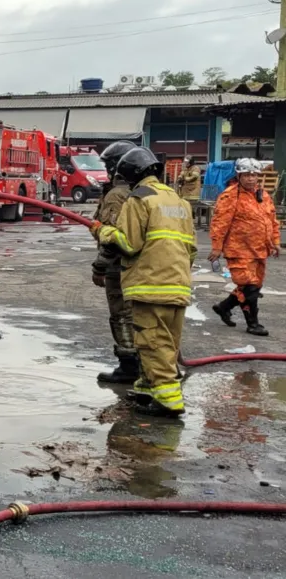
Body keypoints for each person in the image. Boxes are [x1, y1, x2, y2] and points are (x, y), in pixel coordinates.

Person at [92, 147, 195, 417]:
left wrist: (103, 231)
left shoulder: (139, 199)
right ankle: (148, 388)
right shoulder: (177, 200)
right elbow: (191, 248)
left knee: (152, 342)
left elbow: (128, 243)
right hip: (178, 283)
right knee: (168, 342)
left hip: (151, 284)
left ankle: (169, 401)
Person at [210, 158, 280, 336]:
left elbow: (272, 221)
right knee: (249, 287)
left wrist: (275, 242)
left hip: (259, 250)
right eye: (247, 175)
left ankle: (223, 307)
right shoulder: (230, 196)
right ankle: (253, 324)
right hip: (238, 249)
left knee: (254, 285)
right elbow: (220, 223)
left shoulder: (263, 196)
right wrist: (217, 247)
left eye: (254, 175)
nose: (251, 179)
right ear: (239, 176)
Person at [92, 140, 138, 384]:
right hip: (140, 266)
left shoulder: (116, 195)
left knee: (121, 314)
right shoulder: (143, 191)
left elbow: (111, 236)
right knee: (140, 316)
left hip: (118, 266)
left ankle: (129, 365)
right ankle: (150, 363)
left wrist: (100, 266)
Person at [177, 156, 202, 222]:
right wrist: (179, 177)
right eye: (185, 162)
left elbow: (194, 177)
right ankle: (186, 218)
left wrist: (185, 179)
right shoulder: (185, 168)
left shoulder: (195, 168)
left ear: (191, 162)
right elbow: (182, 174)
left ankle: (191, 217)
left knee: (191, 205)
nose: (185, 164)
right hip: (185, 191)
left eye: (187, 163)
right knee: (184, 205)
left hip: (193, 191)